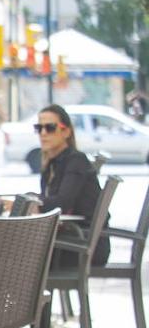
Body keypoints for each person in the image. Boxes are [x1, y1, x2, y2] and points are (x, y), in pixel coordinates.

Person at [35, 104, 110, 267]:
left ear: (66, 132)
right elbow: (50, 201)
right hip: (69, 241)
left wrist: (34, 204)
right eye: (39, 128)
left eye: (50, 127)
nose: (43, 133)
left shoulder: (76, 161)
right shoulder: (51, 165)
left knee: (16, 256)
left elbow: (62, 203)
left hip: (84, 246)